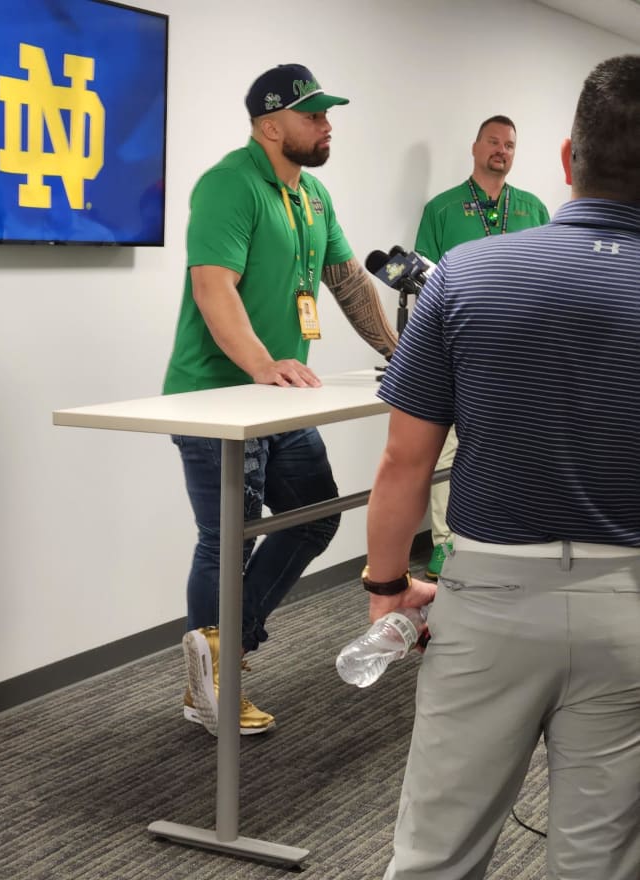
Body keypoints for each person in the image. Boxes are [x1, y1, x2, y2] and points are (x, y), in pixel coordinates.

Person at [364, 54, 640, 879]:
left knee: (436, 853)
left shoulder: (464, 276)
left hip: (484, 601)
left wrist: (386, 590)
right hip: (631, 606)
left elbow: (403, 463)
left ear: (564, 159)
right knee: (601, 858)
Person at [163, 63, 398, 736]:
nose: (327, 124)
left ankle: (226, 651)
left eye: (327, 114)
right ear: (271, 125)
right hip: (214, 398)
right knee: (225, 543)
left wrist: (400, 353)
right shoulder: (229, 185)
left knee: (314, 515)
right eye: (313, 115)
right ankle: (209, 684)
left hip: (279, 398)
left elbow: (348, 281)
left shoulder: (313, 194)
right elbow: (214, 287)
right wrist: (263, 363)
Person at [414, 116, 550, 580]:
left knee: (520, 447)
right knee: (448, 452)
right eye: (494, 141)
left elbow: (551, 281)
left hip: (524, 355)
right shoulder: (442, 209)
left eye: (510, 144)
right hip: (461, 353)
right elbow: (422, 282)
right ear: (475, 147)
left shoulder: (533, 208)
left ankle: (514, 535)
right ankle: (443, 544)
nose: (502, 150)